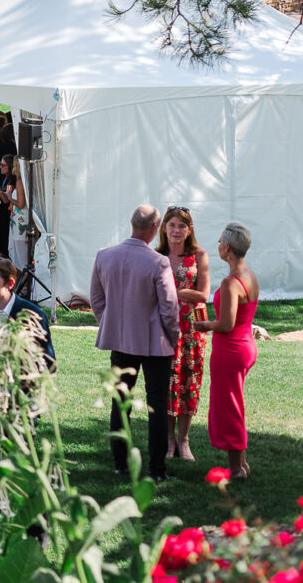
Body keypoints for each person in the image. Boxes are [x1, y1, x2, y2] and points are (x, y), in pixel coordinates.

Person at [90, 204, 179, 481]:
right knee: (156, 406)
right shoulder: (158, 262)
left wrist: (113, 323)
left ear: (131, 223)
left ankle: (120, 462)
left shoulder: (105, 256)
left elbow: (96, 298)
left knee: (121, 402)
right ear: (155, 229)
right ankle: (157, 469)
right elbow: (169, 308)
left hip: (121, 341)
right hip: (155, 343)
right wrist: (173, 339)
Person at [0, 255, 56, 484]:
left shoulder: (32, 314)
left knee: (22, 468)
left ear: (10, 283)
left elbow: (47, 363)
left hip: (20, 401)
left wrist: (9, 390)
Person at [194, 222, 258, 479]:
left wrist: (203, 325)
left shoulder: (231, 282)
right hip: (244, 346)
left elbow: (226, 324)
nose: (218, 245)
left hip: (231, 349)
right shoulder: (249, 274)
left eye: (220, 241)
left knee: (228, 406)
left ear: (228, 247)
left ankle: (235, 469)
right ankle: (241, 464)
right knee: (235, 403)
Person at [158, 206, 210, 461]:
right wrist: (183, 292)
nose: (176, 231)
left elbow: (203, 294)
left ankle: (184, 440)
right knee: (168, 383)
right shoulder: (157, 256)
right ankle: (169, 441)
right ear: (164, 228)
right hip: (164, 327)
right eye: (172, 225)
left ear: (190, 230)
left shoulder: (199, 255)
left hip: (192, 329)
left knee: (189, 383)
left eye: (182, 226)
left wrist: (173, 292)